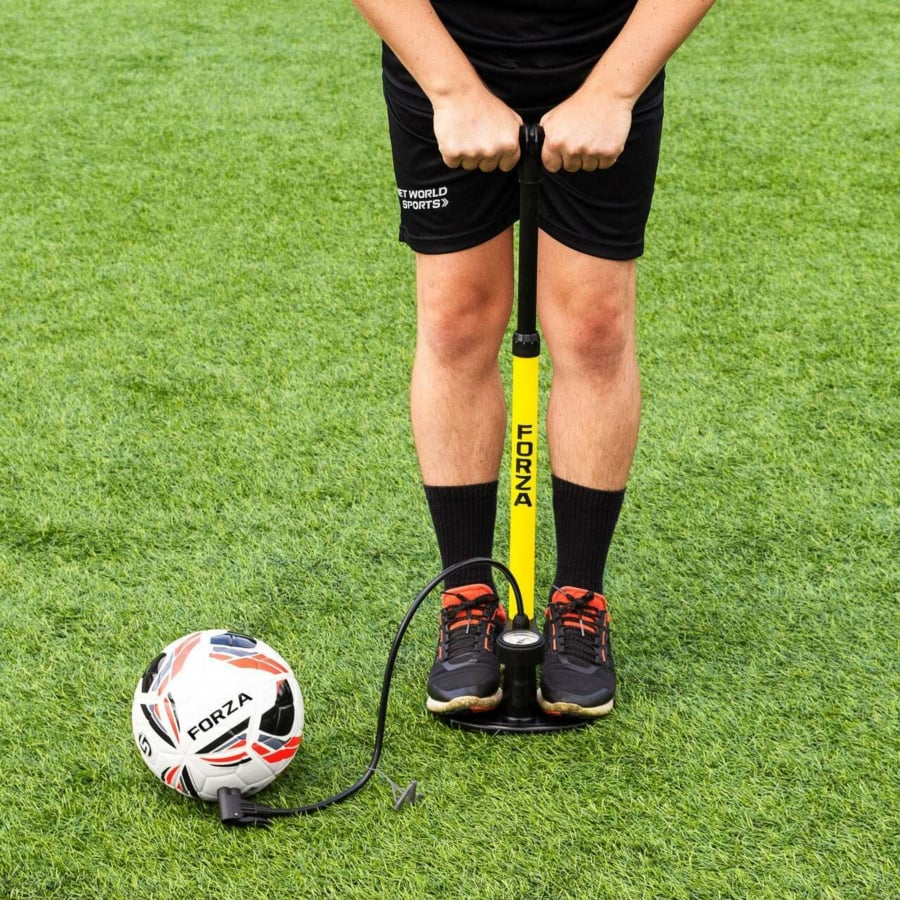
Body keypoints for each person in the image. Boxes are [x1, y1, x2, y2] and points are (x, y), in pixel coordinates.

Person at [351, 0, 717, 718]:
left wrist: (614, 91)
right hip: (444, 50)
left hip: (603, 52)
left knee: (594, 327)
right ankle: (466, 600)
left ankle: (580, 602)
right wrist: (451, 90)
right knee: (455, 321)